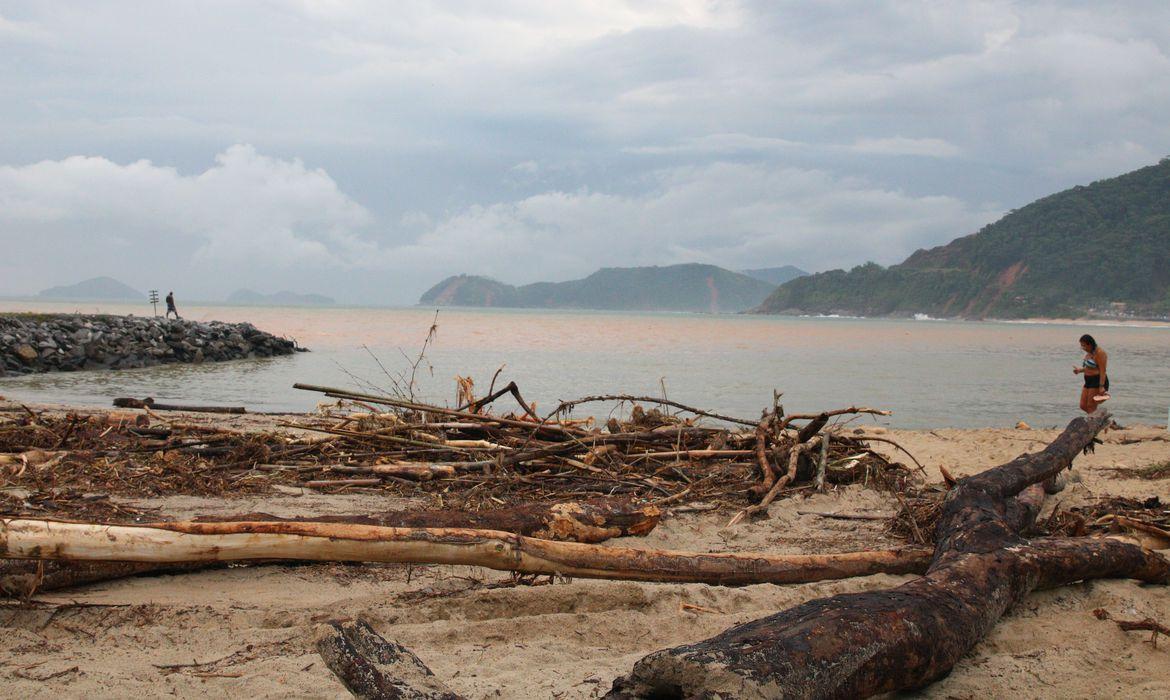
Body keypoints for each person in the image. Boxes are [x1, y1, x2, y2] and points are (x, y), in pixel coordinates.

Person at [1072, 333, 1109, 413]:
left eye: (1084, 346)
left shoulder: (1100, 353)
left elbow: (1103, 371)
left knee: (1090, 405)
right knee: (1083, 405)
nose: (1083, 348)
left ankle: (1094, 423)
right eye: (1081, 346)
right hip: (1088, 381)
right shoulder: (1089, 353)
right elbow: (1090, 368)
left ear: (1090, 344)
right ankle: (1098, 418)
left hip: (1097, 381)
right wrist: (1080, 370)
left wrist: (1101, 386)